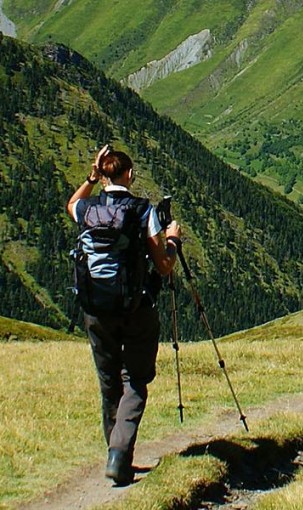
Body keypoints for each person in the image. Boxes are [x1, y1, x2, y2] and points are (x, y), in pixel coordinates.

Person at [66, 145, 181, 485]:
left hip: (94, 310)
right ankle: (120, 454)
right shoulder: (141, 209)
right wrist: (172, 240)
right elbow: (162, 266)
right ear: (129, 175)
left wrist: (90, 178)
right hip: (135, 307)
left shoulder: (86, 209)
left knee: (108, 381)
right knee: (136, 378)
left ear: (102, 176)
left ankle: (115, 455)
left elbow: (71, 204)